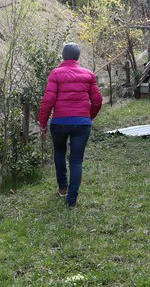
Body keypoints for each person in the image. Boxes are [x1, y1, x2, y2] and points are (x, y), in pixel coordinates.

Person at [38, 42, 103, 208]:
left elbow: (48, 100)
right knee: (76, 161)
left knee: (59, 153)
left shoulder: (56, 74)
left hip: (59, 122)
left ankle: (62, 188)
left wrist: (43, 122)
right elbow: (97, 100)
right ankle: (72, 201)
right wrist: (89, 116)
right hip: (82, 124)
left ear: (63, 56)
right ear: (78, 56)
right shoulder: (88, 75)